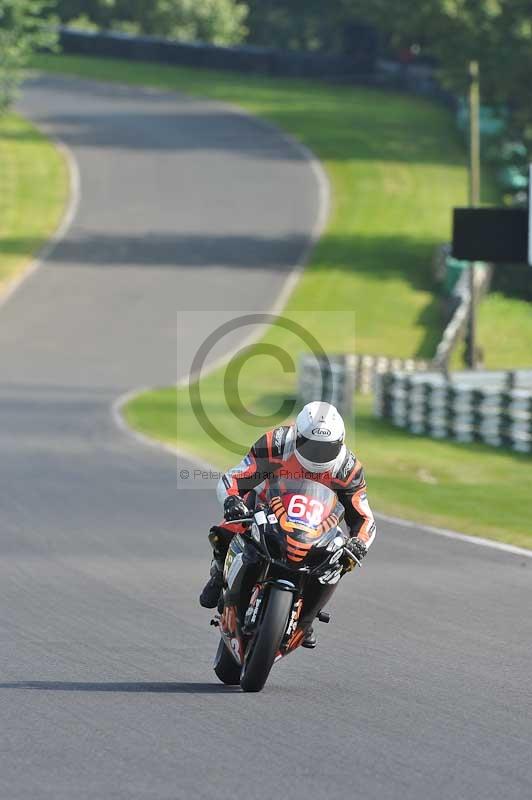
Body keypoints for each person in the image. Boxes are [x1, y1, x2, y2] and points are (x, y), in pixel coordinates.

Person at [199, 401, 376, 648]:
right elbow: (235, 477)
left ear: (340, 443)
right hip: (264, 504)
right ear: (297, 436)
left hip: (314, 524)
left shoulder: (347, 468)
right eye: (310, 446)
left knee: (340, 562)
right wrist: (231, 500)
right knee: (224, 531)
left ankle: (306, 617)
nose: (317, 455)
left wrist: (359, 543)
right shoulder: (277, 443)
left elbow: (364, 516)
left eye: (325, 449)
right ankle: (220, 573)